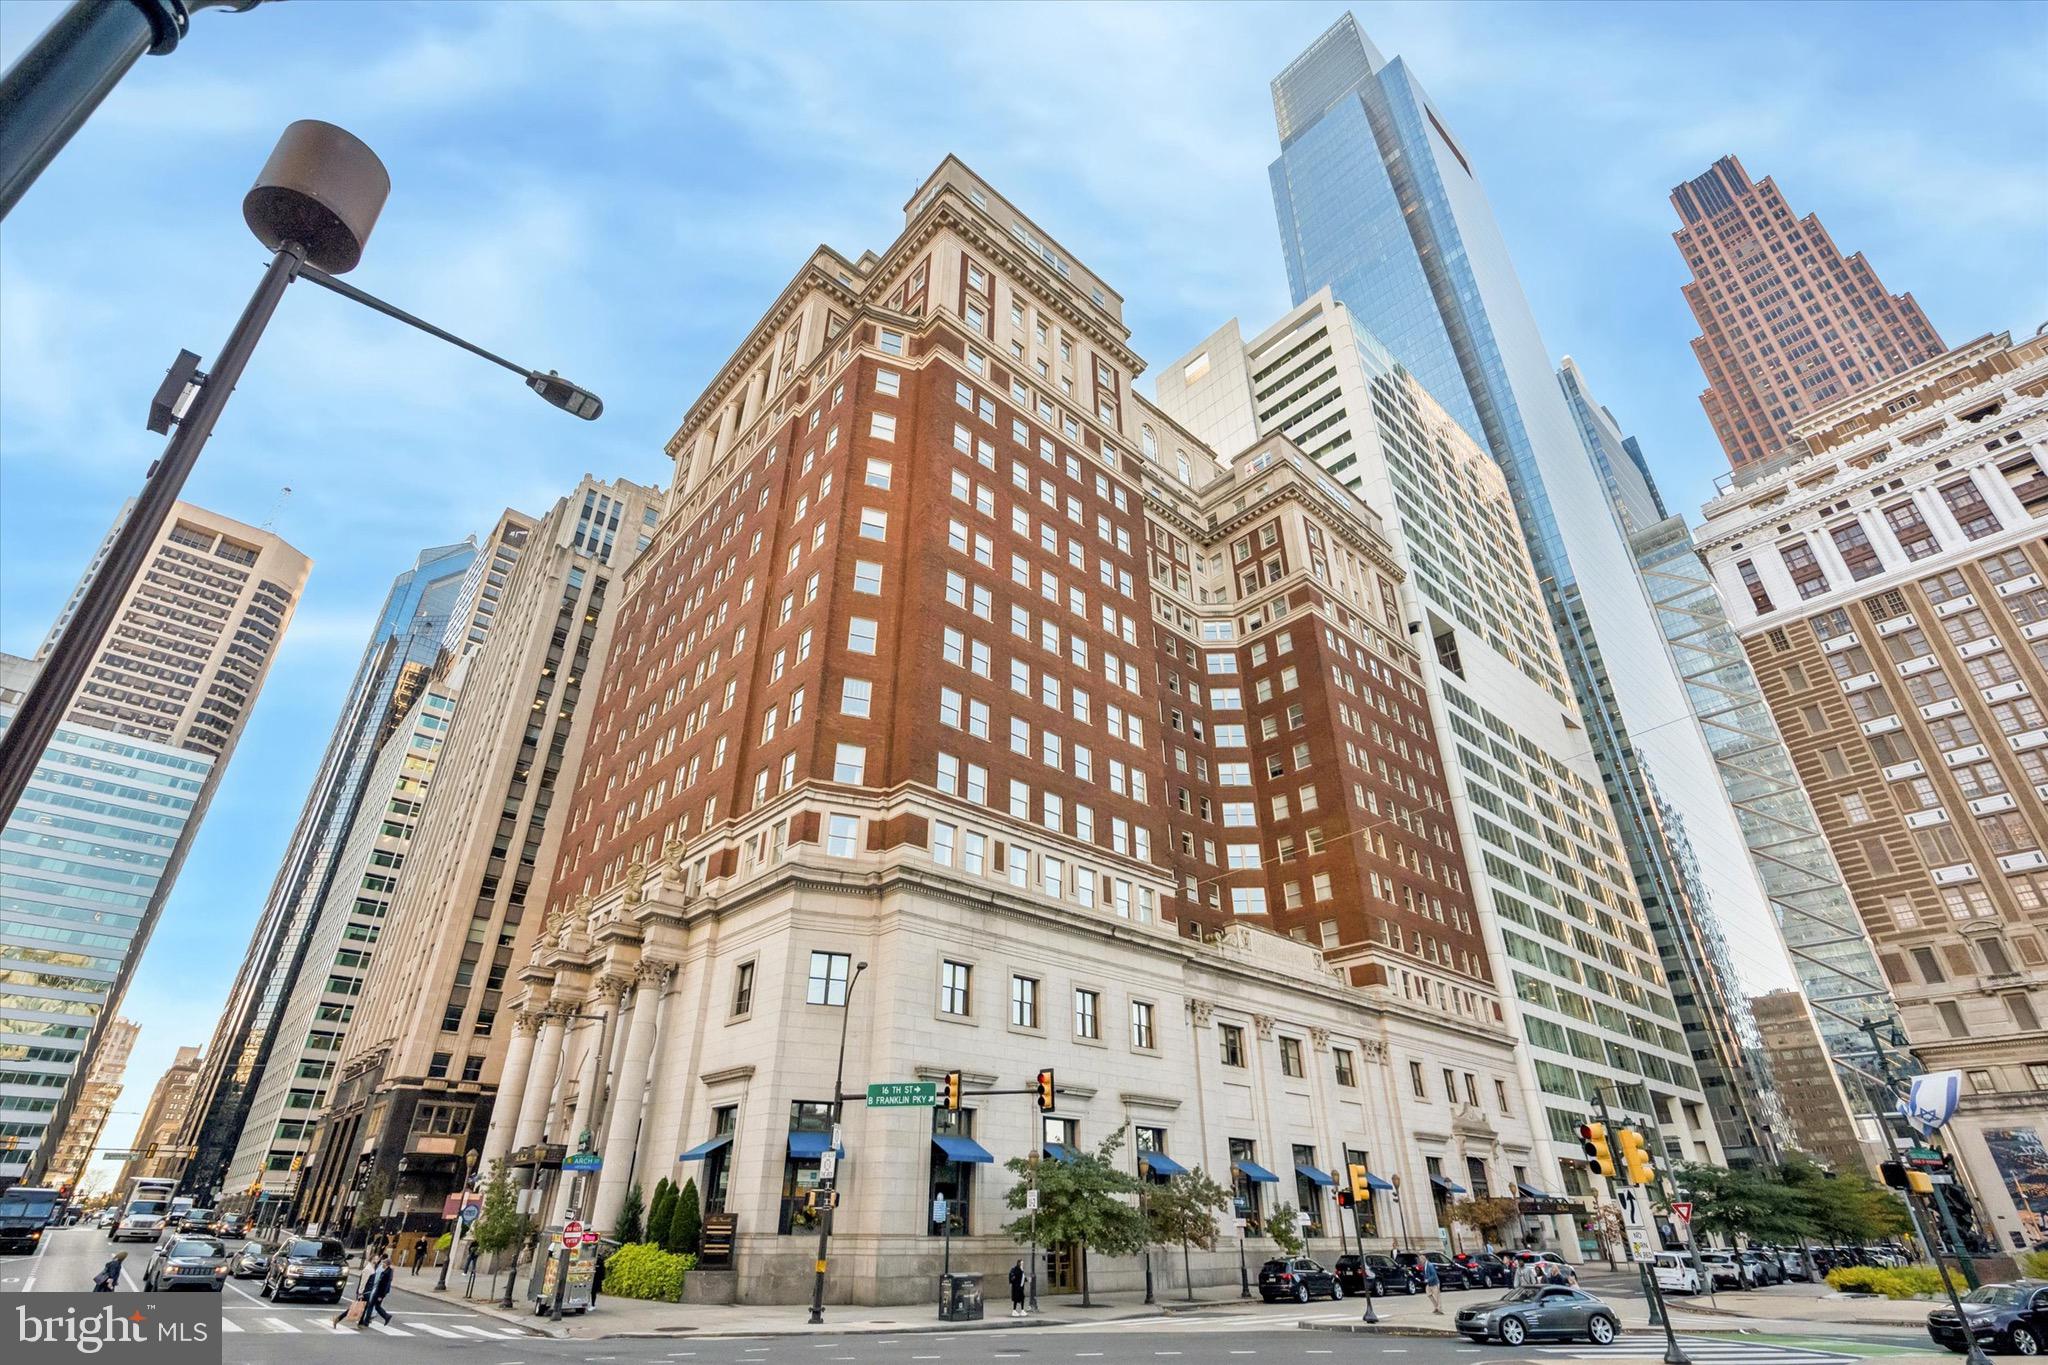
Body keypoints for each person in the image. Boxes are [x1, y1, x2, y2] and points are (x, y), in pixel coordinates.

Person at [336, 1256, 378, 1328]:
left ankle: (360, 1323)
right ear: (372, 1259)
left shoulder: (371, 1268)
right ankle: (339, 1318)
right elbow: (363, 1282)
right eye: (376, 1258)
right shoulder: (368, 1269)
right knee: (356, 1307)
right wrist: (360, 1293)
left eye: (377, 1258)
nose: (377, 1260)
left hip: (368, 1291)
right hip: (365, 1292)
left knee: (364, 1307)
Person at [365, 1252, 395, 1327]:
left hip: (379, 1292)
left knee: (371, 1305)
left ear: (387, 1264)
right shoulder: (388, 1272)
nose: (382, 1264)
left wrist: (381, 1296)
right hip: (380, 1292)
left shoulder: (386, 1273)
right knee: (377, 1306)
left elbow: (384, 1285)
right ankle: (386, 1316)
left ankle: (366, 1321)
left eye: (384, 1263)